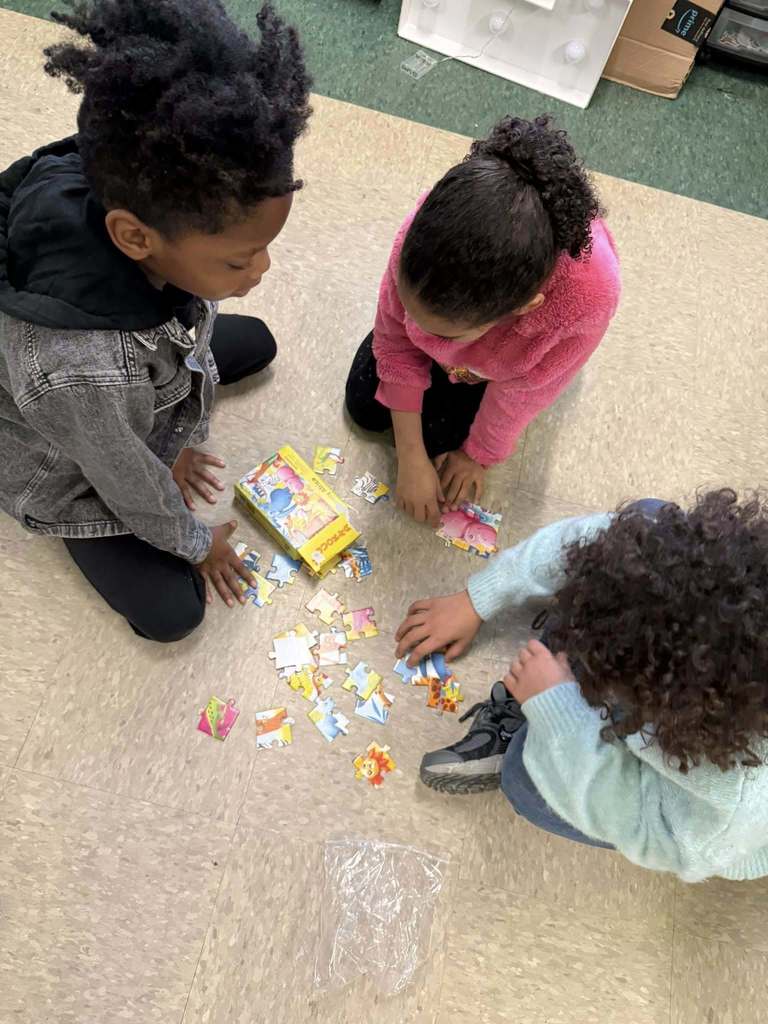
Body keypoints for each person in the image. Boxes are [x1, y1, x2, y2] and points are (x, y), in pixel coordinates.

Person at [0, 0, 311, 642]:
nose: (264, 268)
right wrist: (197, 542)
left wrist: (181, 429)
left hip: (131, 354)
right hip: (66, 461)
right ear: (135, 238)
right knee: (175, 616)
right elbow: (127, 480)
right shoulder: (76, 374)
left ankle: (156, 408)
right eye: (238, 258)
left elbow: (195, 312)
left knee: (256, 343)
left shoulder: (137, 180)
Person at [395, 491, 768, 882]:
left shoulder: (729, 810)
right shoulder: (703, 562)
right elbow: (590, 541)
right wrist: (477, 599)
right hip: (691, 701)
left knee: (522, 782)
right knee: (648, 519)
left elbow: (644, 828)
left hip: (689, 812)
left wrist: (557, 714)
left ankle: (526, 726)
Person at [345, 115, 620, 527]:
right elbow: (395, 335)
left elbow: (523, 395)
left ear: (523, 307)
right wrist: (409, 454)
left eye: (439, 331)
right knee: (366, 407)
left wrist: (479, 456)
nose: (420, 331)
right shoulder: (427, 234)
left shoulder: (587, 301)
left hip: (504, 363)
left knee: (443, 442)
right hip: (467, 327)